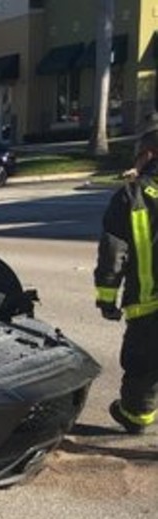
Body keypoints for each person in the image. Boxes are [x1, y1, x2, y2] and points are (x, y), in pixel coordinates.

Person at [95, 124, 158, 435]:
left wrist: (107, 300)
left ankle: (135, 416)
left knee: (142, 366)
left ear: (146, 155)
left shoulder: (131, 196)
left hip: (149, 306)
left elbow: (113, 252)